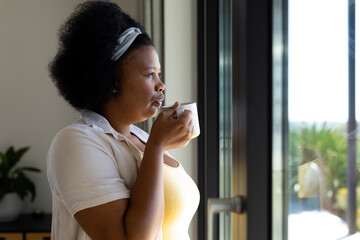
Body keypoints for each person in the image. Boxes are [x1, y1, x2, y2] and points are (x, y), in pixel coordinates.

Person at [46, 1, 200, 240]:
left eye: (159, 74)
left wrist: (156, 144)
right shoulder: (75, 142)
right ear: (111, 82)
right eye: (150, 74)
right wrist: (157, 146)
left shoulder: (141, 138)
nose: (161, 85)